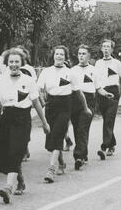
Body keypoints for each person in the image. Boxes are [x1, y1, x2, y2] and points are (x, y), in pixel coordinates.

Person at [0, 48, 50, 204]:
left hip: (22, 119)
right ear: (7, 63)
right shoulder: (1, 80)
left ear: (22, 63)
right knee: (6, 153)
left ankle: (8, 187)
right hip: (6, 117)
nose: (14, 64)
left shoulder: (28, 81)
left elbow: (36, 102)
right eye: (11, 62)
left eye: (17, 62)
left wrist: (44, 122)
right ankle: (20, 180)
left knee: (16, 151)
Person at [37, 45, 90, 183]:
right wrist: (43, 102)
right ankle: (61, 163)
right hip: (50, 106)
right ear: (53, 56)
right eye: (56, 54)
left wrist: (86, 108)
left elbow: (79, 93)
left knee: (58, 135)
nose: (59, 56)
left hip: (65, 106)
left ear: (65, 57)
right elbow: (39, 90)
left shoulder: (70, 73)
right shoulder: (46, 71)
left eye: (61, 54)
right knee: (52, 137)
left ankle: (51, 169)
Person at [94, 39, 121, 160]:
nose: (105, 49)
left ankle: (104, 147)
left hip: (114, 93)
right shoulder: (98, 63)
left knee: (109, 120)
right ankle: (112, 144)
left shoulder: (117, 63)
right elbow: (96, 80)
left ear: (111, 49)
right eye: (103, 46)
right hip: (102, 93)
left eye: (108, 47)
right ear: (101, 49)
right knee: (107, 120)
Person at [69, 45, 97, 170]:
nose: (81, 56)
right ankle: (83, 154)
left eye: (84, 54)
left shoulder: (94, 70)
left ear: (89, 56)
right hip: (75, 100)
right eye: (79, 53)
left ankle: (78, 156)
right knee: (77, 128)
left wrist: (105, 94)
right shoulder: (72, 70)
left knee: (83, 128)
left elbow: (98, 87)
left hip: (89, 100)